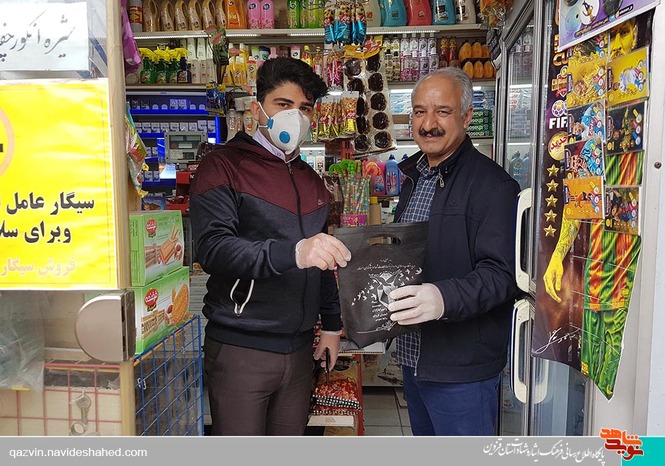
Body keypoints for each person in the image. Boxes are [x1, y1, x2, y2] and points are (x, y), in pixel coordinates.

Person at [189, 57, 352, 436]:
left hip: (299, 351)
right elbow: (213, 248)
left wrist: (331, 326)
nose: (296, 116)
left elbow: (323, 262)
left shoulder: (312, 181)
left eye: (305, 108)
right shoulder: (223, 167)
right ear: (256, 109)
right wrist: (294, 252)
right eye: (283, 104)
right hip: (241, 348)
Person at [386, 67, 521, 436]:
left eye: (442, 112)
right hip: (414, 357)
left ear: (466, 116)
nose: (428, 124)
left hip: (462, 370)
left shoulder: (493, 185)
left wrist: (442, 298)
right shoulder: (414, 176)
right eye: (419, 112)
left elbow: (502, 276)